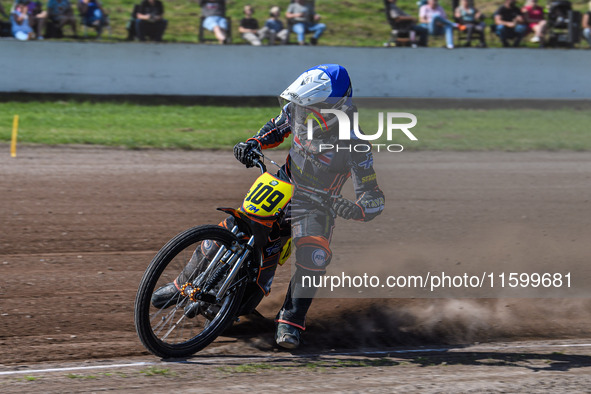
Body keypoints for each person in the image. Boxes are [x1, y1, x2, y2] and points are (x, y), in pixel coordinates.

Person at [151, 64, 385, 349]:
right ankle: (182, 285)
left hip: (318, 204)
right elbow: (276, 127)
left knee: (314, 253)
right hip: (283, 184)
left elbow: (373, 197)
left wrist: (355, 209)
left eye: (311, 106)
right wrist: (252, 143)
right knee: (232, 226)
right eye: (302, 104)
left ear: (334, 105)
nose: (304, 111)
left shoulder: (356, 143)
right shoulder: (299, 110)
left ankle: (291, 321)